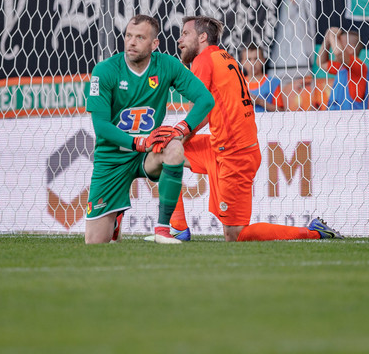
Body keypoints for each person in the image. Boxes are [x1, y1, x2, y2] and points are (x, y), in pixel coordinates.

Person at [145, 16, 342, 242]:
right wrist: (178, 140)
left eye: (185, 34)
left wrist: (179, 135)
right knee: (162, 152)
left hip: (234, 155)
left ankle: (315, 232)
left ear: (202, 37)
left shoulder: (204, 60)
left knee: (235, 234)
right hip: (220, 146)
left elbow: (198, 113)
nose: (179, 40)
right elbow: (205, 114)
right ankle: (179, 227)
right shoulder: (223, 57)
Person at [84, 14, 214, 244]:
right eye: (128, 36)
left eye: (140, 37)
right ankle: (114, 219)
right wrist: (138, 143)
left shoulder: (166, 65)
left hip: (148, 155)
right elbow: (101, 126)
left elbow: (205, 99)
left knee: (174, 148)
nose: (131, 42)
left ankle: (163, 229)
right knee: (95, 244)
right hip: (112, 158)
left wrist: (182, 129)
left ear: (154, 44)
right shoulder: (104, 71)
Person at [317, 27, 369, 110]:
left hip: (352, 120)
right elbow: (321, 62)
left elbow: (339, 53)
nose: (333, 45)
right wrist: (327, 39)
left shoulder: (359, 66)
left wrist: (333, 35)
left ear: (350, 49)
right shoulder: (341, 68)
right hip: (334, 119)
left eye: (338, 42)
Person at [240, 44, 285, 112]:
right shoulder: (239, 84)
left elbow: (281, 111)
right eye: (249, 59)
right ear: (242, 62)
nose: (253, 63)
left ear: (263, 60)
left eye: (256, 59)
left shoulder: (272, 83)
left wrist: (260, 102)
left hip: (267, 122)